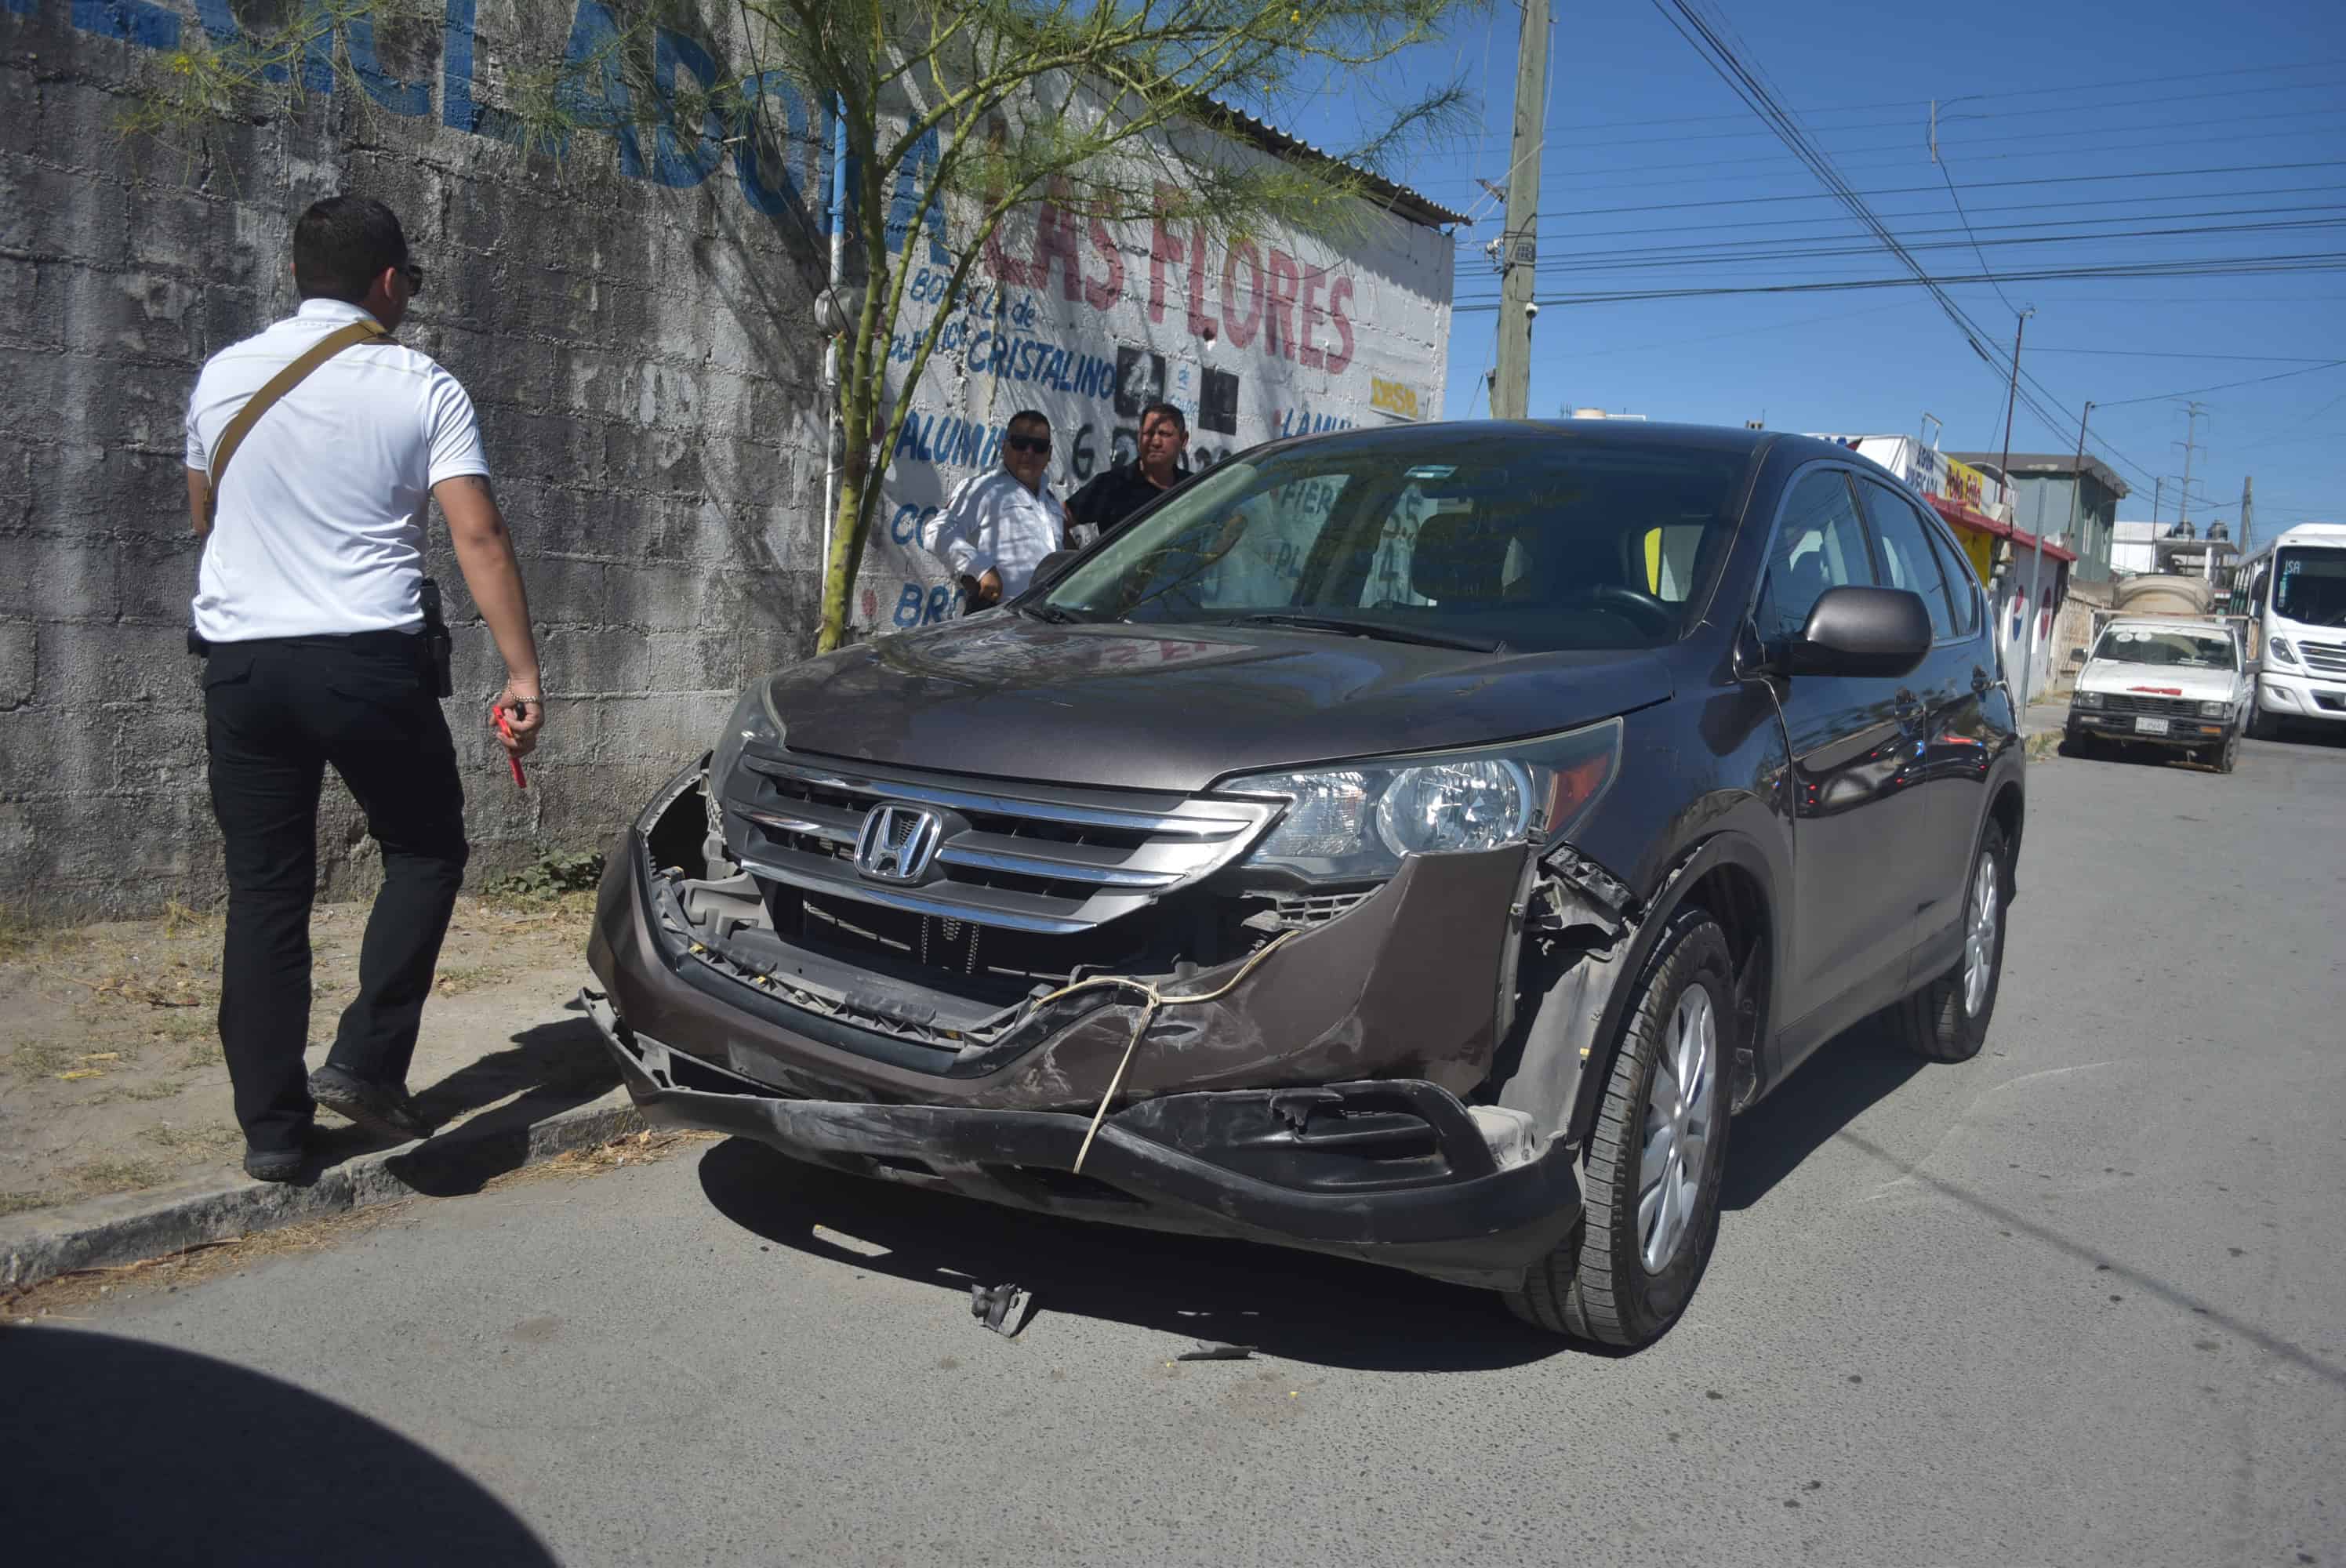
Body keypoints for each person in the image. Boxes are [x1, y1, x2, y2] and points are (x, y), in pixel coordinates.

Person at [183, 194, 544, 1181]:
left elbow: (203, 510)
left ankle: (272, 1130)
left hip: (243, 666)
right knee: (426, 847)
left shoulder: (222, 376)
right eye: (410, 282)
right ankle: (367, 1062)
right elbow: (478, 534)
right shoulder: (420, 383)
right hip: (363, 662)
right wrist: (522, 671)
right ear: (389, 281)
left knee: (265, 892)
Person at [932, 408, 1067, 611]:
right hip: (999, 617)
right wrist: (982, 569)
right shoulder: (984, 488)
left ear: (1049, 454)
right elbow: (938, 532)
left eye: (1039, 447)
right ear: (1004, 446)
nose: (1029, 452)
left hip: (1048, 620)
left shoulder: (1050, 501)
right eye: (1020, 443)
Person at [1066, 401, 1191, 547]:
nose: (1155, 441)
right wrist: (1074, 561)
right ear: (1139, 438)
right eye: (1148, 433)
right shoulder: (1112, 485)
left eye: (1164, 434)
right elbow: (1062, 517)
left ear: (1183, 440)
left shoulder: (1193, 488)